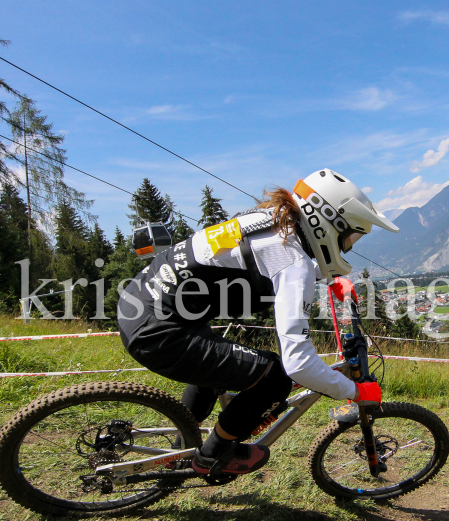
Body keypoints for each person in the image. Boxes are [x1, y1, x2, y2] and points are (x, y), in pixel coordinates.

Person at [117, 169, 399, 476]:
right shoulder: (293, 262)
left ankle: (178, 447)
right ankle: (213, 455)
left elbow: (261, 260)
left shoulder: (269, 219)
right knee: (275, 377)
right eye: (350, 236)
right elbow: (299, 364)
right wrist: (355, 392)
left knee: (218, 369)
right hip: (159, 330)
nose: (349, 245)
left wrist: (329, 276)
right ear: (326, 222)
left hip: (141, 301)